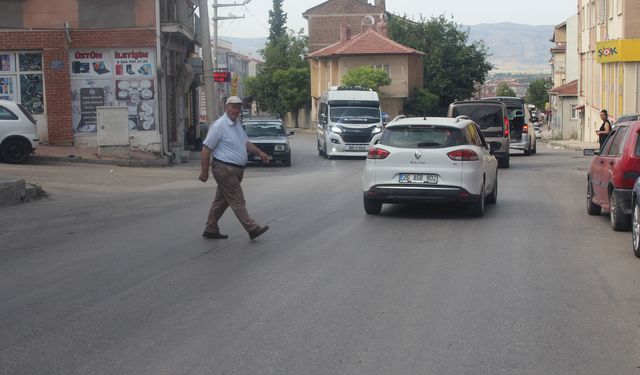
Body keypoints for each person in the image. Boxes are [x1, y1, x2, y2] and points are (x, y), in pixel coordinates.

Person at [198, 96, 271, 240]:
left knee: (222, 200)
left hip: (236, 170)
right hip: (225, 169)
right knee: (237, 200)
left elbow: (245, 143)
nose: (236, 110)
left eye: (238, 107)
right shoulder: (219, 125)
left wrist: (260, 153)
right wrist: (204, 172)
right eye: (233, 107)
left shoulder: (237, 124)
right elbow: (206, 149)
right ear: (226, 108)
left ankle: (211, 228)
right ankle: (252, 228)